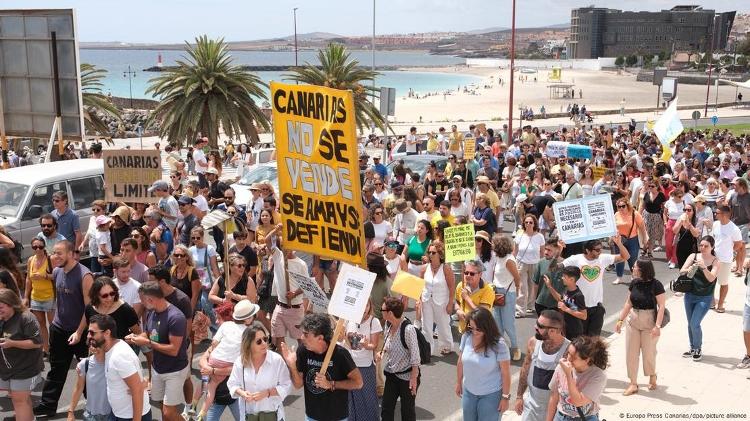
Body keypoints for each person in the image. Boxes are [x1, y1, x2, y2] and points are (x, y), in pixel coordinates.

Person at [35, 241, 93, 418]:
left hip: (79, 332)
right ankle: (48, 405)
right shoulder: (58, 271)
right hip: (59, 329)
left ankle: (93, 406)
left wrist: (79, 332)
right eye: (54, 253)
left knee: (87, 371)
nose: (55, 256)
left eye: (59, 253)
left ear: (70, 253)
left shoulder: (85, 276)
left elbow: (89, 309)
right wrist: (55, 324)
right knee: (56, 369)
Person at [280, 313, 363, 421]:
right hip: (311, 416)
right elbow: (298, 384)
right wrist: (292, 366)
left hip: (336, 417)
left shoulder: (340, 354)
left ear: (320, 338)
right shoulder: (303, 351)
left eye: (306, 334)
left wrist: (331, 384)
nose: (301, 337)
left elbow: (358, 383)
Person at [125, 281, 189, 421]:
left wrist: (147, 343)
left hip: (174, 371)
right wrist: (136, 337)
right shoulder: (151, 313)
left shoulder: (176, 318)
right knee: (161, 405)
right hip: (157, 369)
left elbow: (173, 350)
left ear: (150, 299)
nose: (141, 303)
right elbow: (149, 334)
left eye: (142, 299)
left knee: (168, 412)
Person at [192, 300, 259, 419]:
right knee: (209, 385)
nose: (216, 321)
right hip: (224, 397)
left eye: (218, 318)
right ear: (248, 319)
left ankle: (194, 408)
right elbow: (204, 360)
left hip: (235, 395)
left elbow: (213, 346)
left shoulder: (226, 327)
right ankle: (200, 413)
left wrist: (211, 369)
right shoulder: (249, 335)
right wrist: (208, 367)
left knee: (204, 382)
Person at [614, 259, 665, 396]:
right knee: (631, 354)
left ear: (642, 269)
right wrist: (620, 320)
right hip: (633, 321)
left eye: (635, 266)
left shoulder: (656, 285)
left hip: (649, 322)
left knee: (649, 353)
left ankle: (652, 375)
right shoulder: (634, 283)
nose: (632, 268)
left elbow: (661, 307)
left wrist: (657, 326)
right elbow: (628, 303)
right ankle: (633, 383)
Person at [562, 236, 629, 336]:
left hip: (596, 308)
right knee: (579, 340)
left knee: (593, 342)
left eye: (601, 249)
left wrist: (619, 243)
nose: (600, 252)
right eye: (597, 250)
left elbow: (626, 257)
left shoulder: (603, 258)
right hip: (579, 308)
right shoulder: (575, 259)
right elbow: (555, 267)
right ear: (587, 250)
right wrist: (559, 249)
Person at [455, 307, 511, 421]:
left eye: (478, 329)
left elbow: (506, 373)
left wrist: (505, 397)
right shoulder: (466, 336)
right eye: (471, 327)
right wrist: (458, 382)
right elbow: (460, 361)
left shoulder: (499, 344)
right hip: (469, 392)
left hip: (491, 395)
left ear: (487, 327)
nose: (474, 332)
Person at [93, 314, 152, 421]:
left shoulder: (119, 356)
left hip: (130, 416)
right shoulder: (110, 349)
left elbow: (137, 390)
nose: (88, 336)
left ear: (107, 333)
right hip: (119, 413)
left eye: (92, 333)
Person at [514, 310, 570, 421]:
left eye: (540, 326)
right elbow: (525, 369)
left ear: (553, 331)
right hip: (531, 407)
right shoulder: (533, 343)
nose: (535, 327)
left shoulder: (569, 350)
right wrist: (519, 396)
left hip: (555, 411)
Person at [228, 325, 292, 420]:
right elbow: (232, 384)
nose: (264, 343)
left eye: (265, 339)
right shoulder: (240, 361)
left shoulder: (276, 360)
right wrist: (242, 393)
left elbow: (287, 385)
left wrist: (267, 393)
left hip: (272, 415)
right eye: (259, 341)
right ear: (249, 344)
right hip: (248, 415)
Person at [0, 289, 44, 421]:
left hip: (25, 368)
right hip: (7, 368)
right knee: (20, 400)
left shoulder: (26, 318)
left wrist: (12, 343)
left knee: (20, 401)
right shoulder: (2, 318)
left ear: (11, 304)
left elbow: (37, 343)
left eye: (1, 307)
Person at [547, 336, 609, 421]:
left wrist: (568, 375)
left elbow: (578, 402)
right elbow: (554, 397)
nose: (569, 359)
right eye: (568, 353)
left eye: (574, 357)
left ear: (587, 360)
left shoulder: (598, 375)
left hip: (586, 418)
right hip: (561, 417)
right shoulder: (561, 368)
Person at [379, 297, 421, 421]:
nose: (380, 311)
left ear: (390, 313)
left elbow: (415, 358)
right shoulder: (388, 323)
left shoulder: (408, 329)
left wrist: (413, 380)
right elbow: (388, 344)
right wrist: (382, 353)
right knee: (386, 409)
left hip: (407, 378)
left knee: (407, 412)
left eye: (382, 309)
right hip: (392, 374)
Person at [679, 236, 721, 362]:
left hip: (705, 297)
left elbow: (711, 278)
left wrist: (703, 267)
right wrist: (689, 269)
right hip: (690, 295)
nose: (702, 248)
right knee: (690, 323)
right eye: (701, 245)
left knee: (694, 323)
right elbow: (681, 271)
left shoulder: (716, 262)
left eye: (706, 246)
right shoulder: (693, 256)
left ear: (712, 247)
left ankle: (698, 348)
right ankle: (692, 348)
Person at [345, 299, 383, 421]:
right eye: (362, 305)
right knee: (351, 399)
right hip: (350, 365)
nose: (365, 308)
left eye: (367, 305)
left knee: (368, 398)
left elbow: (374, 345)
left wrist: (367, 345)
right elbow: (344, 341)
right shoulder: (348, 320)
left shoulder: (374, 321)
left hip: (366, 366)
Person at [420, 240, 455, 356]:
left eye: (433, 253)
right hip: (426, 300)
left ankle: (447, 345)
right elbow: (420, 285)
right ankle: (427, 348)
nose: (430, 255)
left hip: (441, 301)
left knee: (443, 324)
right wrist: (418, 300)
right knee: (426, 325)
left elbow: (451, 288)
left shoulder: (446, 269)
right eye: (429, 252)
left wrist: (450, 303)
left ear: (440, 254)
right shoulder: (424, 268)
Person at [23, 237, 55, 356]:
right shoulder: (31, 260)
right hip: (35, 297)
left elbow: (57, 275)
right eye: (35, 247)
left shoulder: (50, 259)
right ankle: (45, 349)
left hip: (49, 296)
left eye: (40, 247)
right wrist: (26, 297)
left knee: (53, 325)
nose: (38, 249)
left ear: (44, 246)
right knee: (41, 324)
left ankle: (56, 347)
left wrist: (45, 276)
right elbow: (28, 279)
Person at [491, 234, 521, 360]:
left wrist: (516, 291)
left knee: (508, 324)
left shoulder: (509, 260)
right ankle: (501, 347)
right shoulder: (498, 258)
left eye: (494, 243)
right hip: (496, 292)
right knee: (497, 323)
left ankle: (515, 348)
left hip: (507, 293)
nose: (492, 245)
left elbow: (517, 278)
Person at [67, 342, 113, 421]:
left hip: (111, 415)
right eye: (90, 344)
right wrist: (70, 412)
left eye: (96, 345)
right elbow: (79, 388)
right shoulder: (85, 364)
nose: (92, 347)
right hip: (90, 416)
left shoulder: (114, 363)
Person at [712, 205, 743, 313]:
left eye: (717, 213)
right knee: (710, 281)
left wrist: (730, 251)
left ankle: (720, 305)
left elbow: (739, 244)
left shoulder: (734, 229)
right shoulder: (715, 224)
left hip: (725, 260)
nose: (715, 214)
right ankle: (712, 302)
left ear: (725, 214)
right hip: (713, 258)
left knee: (723, 283)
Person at [514, 214, 545, 316]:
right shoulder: (520, 235)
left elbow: (542, 252)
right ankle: (520, 310)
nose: (528, 224)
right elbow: (515, 251)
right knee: (522, 287)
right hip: (521, 263)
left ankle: (530, 305)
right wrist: (513, 262)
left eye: (530, 222)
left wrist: (542, 265)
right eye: (526, 222)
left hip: (535, 264)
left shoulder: (540, 237)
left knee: (532, 286)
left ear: (534, 224)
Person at [546, 267, 587, 341]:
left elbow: (584, 316)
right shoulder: (567, 290)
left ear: (572, 279)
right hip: (565, 327)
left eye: (564, 277)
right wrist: (549, 286)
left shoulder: (578, 295)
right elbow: (560, 299)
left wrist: (566, 309)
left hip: (574, 330)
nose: (562, 278)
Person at [455, 259, 495, 334]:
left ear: (480, 274)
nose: (468, 276)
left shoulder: (488, 290)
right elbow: (456, 302)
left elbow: (482, 313)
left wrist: (467, 298)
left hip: (479, 331)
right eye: (466, 273)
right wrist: (458, 310)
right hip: (463, 330)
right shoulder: (461, 285)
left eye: (472, 274)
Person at [613, 198, 647, 285]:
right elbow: (613, 227)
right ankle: (619, 277)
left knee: (632, 259)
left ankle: (634, 276)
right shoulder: (616, 214)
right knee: (619, 259)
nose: (621, 208)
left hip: (632, 240)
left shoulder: (634, 214)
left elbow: (642, 226)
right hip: (619, 240)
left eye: (623, 206)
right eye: (619, 206)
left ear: (627, 205)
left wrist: (644, 238)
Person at [533, 239, 566, 316]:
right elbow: (536, 284)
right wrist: (536, 300)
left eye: (549, 250)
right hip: (541, 304)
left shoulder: (565, 264)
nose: (545, 252)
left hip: (557, 306)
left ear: (558, 250)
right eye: (545, 249)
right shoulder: (541, 262)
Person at [672, 202, 701, 269]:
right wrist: (680, 222)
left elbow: (696, 234)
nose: (686, 212)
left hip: (692, 247)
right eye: (684, 210)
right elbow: (675, 231)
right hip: (681, 246)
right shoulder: (680, 218)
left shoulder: (697, 220)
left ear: (693, 211)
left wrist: (689, 224)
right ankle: (683, 279)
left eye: (689, 210)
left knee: (691, 269)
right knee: (682, 268)